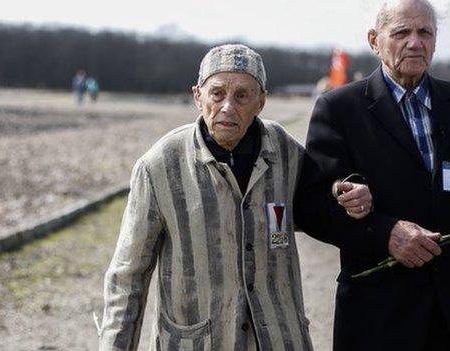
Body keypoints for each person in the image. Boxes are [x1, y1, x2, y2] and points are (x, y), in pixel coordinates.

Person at [99, 44, 372, 350]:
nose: (228, 106)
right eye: (217, 94)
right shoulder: (160, 165)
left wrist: (345, 190)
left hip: (279, 340)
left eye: (242, 96)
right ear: (197, 96)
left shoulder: (285, 151)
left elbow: (320, 201)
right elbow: (128, 277)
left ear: (261, 102)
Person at [295, 1, 450, 350]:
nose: (415, 42)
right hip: (379, 319)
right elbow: (313, 208)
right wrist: (386, 233)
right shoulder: (339, 108)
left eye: (425, 32)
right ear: (374, 40)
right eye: (401, 32)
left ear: (435, 40)